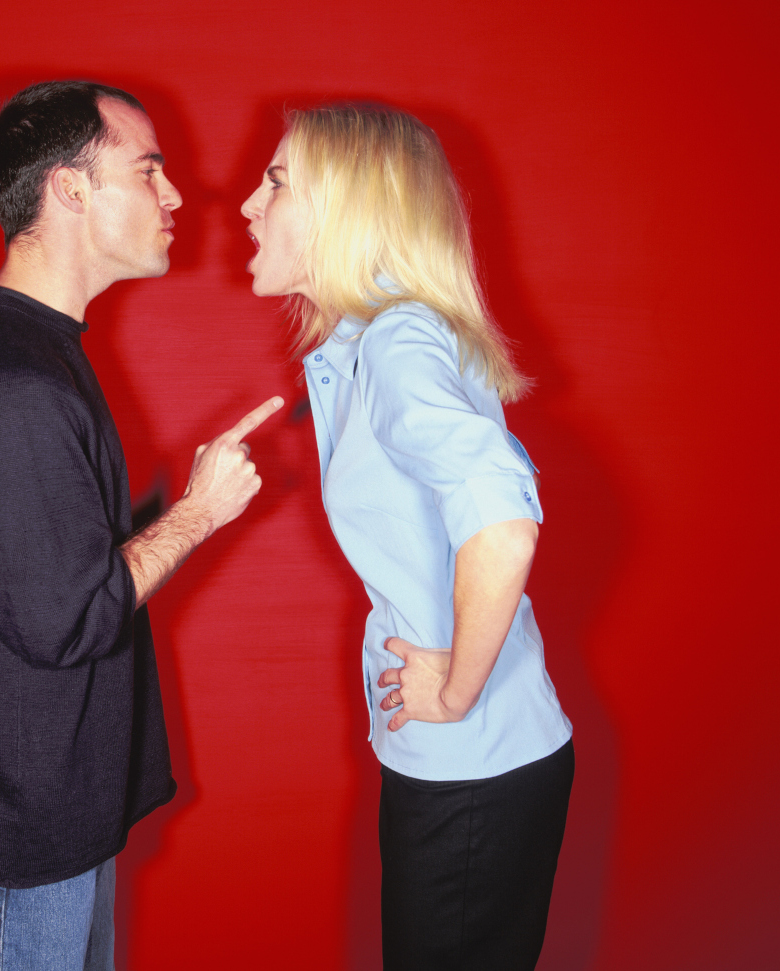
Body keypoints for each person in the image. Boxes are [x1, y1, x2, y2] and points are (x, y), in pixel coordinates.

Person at [0, 80, 283, 971]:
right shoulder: (16, 384)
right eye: (148, 171)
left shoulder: (33, 350)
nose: (175, 194)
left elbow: (42, 568)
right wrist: (198, 512)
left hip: (42, 812)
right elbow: (64, 616)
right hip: (26, 833)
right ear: (69, 188)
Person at [241, 104, 574, 970]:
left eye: (276, 182)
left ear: (347, 208)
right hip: (466, 764)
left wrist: (456, 694)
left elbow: (504, 520)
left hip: (472, 764)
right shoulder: (372, 342)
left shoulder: (397, 342)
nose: (248, 204)